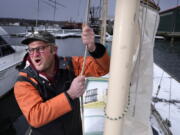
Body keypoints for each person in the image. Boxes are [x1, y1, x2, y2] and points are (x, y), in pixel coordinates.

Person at [14, 25, 110, 135]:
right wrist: (70, 94)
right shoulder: (24, 81)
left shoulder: (70, 65)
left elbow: (103, 69)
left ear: (53, 50)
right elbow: (35, 117)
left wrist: (93, 48)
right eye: (31, 50)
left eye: (40, 48)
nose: (35, 54)